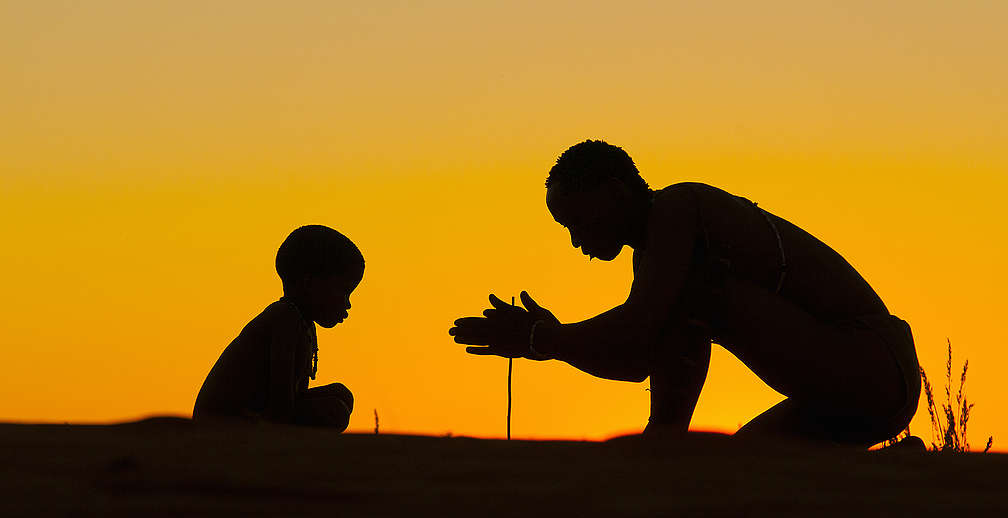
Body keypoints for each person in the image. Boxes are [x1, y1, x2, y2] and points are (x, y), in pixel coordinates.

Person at [449, 140, 920, 447]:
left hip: (870, 365)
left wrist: (545, 338)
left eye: (576, 221)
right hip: (843, 403)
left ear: (614, 193)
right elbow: (637, 360)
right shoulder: (656, 255)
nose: (576, 241)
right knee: (736, 471)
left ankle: (664, 442)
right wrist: (547, 342)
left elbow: (637, 331)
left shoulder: (678, 208)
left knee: (693, 298)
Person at [193, 224, 363, 429]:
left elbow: (292, 398)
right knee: (335, 411)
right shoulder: (286, 318)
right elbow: (281, 405)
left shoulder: (302, 323)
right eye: (343, 292)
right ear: (309, 284)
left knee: (341, 395)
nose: (347, 304)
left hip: (259, 416)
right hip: (226, 425)